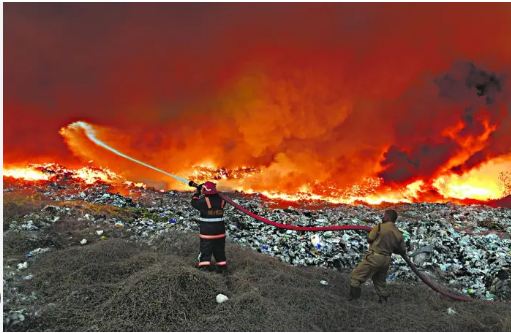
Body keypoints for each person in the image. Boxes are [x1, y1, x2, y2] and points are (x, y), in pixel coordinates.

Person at [349, 209, 406, 302]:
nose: (382, 217)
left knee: (356, 276)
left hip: (374, 257)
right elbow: (402, 250)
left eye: (384, 215)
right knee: (380, 282)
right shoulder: (398, 233)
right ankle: (384, 302)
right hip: (386, 260)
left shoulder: (379, 227)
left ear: (388, 217)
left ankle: (354, 300)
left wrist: (373, 235)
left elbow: (370, 239)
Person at [190, 181, 228, 273]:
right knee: (220, 251)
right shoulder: (222, 200)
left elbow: (194, 202)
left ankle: (204, 270)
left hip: (207, 233)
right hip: (220, 232)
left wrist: (197, 192)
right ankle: (223, 270)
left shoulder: (203, 201)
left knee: (205, 252)